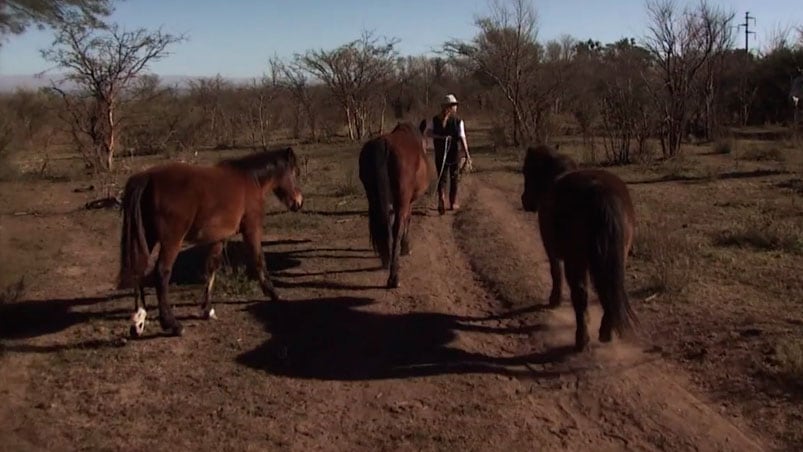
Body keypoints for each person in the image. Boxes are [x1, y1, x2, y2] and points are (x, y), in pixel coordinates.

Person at [422, 94, 471, 214]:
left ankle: (441, 197)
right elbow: (462, 138)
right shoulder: (458, 121)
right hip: (454, 154)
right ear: (452, 107)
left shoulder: (434, 119)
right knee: (454, 178)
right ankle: (452, 202)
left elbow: (427, 133)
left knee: (441, 177)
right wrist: (467, 154)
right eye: (455, 105)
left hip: (440, 153)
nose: (456, 107)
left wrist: (440, 137)